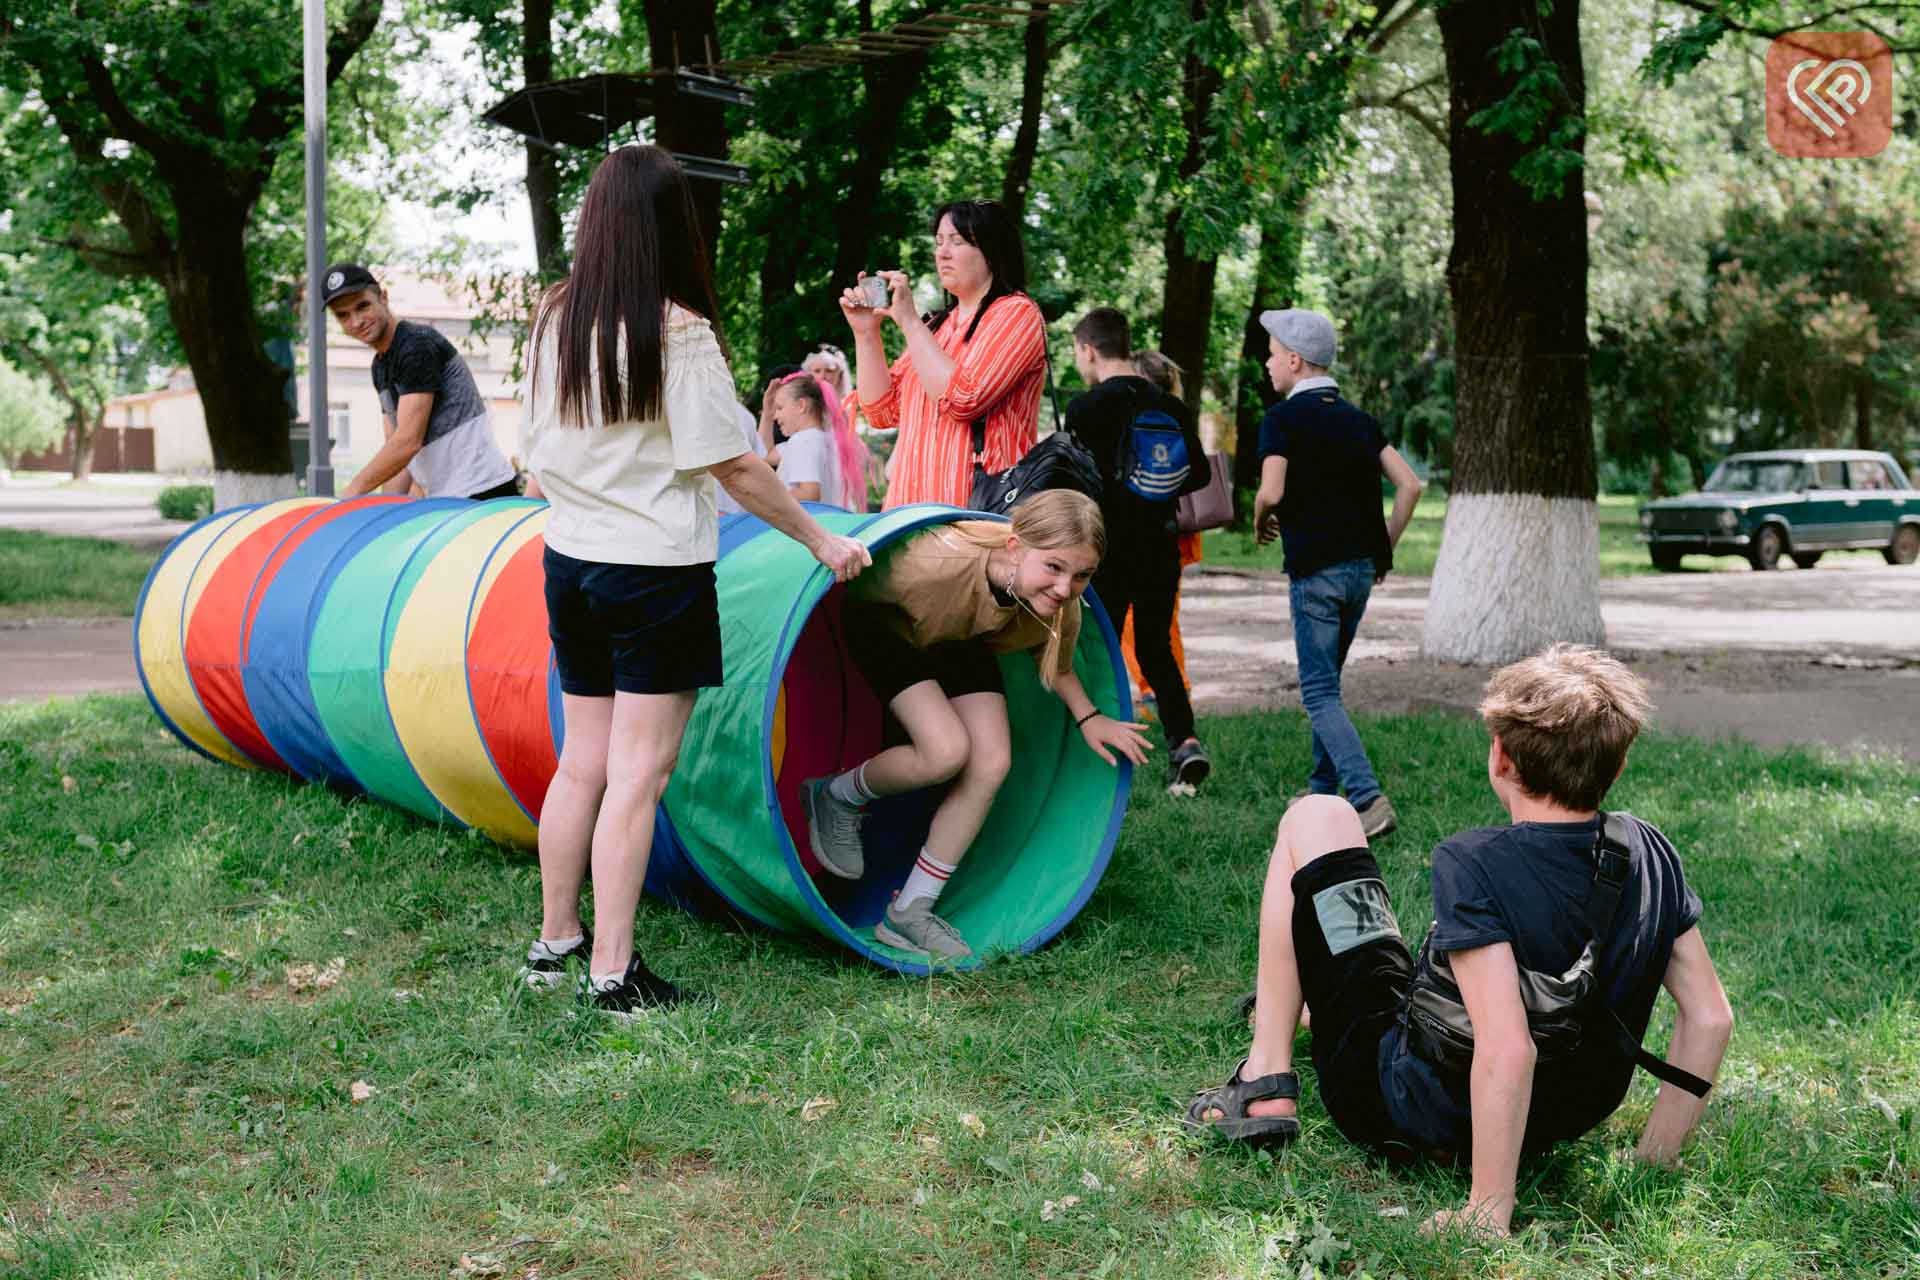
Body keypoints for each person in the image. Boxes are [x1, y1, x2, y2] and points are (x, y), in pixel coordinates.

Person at [1184, 645, 1734, 1240]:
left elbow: (1507, 1047)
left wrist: (1488, 1210)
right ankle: (1306, 1008)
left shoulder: (1475, 863)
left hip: (1405, 1107)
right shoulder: (1650, 852)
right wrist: (1655, 1156)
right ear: (1619, 765)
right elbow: (1709, 1018)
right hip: (1559, 1117)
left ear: (1500, 757)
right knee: (1387, 976)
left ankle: (1265, 1083)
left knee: (1317, 815)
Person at [517, 145, 870, 1015]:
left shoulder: (553, 317)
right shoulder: (677, 330)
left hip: (570, 561)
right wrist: (821, 542)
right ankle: (613, 973)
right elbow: (737, 468)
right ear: (675, 224)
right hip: (652, 573)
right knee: (637, 775)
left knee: (584, 764)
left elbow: (532, 452)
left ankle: (554, 943)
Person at [799, 490, 1152, 962]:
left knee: (991, 761)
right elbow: (849, 583)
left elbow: (1059, 666)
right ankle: (836, 795)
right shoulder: (934, 564)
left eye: (1081, 574)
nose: (1066, 588)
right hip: (889, 623)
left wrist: (1089, 718)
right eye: (1054, 567)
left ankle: (910, 910)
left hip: (962, 639)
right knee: (944, 752)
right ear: (1015, 548)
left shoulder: (1061, 605)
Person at [1252, 309, 1423, 838]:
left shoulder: (1281, 420)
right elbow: (1410, 485)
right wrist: (1382, 549)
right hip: (1358, 574)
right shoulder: (1359, 420)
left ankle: (1368, 799)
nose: (1268, 360)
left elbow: (1272, 492)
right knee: (1329, 682)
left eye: (1274, 352)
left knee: (1319, 691)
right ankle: (1322, 790)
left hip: (1315, 575)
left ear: (1296, 361)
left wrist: (1261, 519)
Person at [1066, 310, 1212, 794]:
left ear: (1088, 349)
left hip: (1104, 552)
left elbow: (1076, 481)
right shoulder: (1170, 406)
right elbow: (1199, 475)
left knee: (1095, 648)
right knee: (1155, 649)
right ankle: (1184, 742)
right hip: (1160, 547)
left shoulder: (1087, 408)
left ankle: (1092, 747)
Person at [841, 199, 1048, 510]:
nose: (942, 252)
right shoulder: (936, 327)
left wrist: (910, 321)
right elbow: (881, 411)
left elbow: (964, 399)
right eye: (938, 242)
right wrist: (866, 333)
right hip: (908, 513)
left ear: (993, 250)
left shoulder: (1017, 313)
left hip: (976, 517)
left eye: (958, 241)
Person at [321, 263, 520, 501]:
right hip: (446, 499)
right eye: (343, 315)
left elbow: (407, 442)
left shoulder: (417, 346)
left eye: (362, 306)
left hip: (483, 493)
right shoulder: (380, 365)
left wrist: (352, 493)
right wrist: (386, 513)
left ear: (383, 297)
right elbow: (397, 453)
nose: (356, 321)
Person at [1121, 350, 1203, 708]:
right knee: (1161, 612)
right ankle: (1158, 684)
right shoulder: (1177, 415)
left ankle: (1161, 686)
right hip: (1173, 529)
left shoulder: (1144, 419)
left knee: (1147, 617)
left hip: (1155, 529)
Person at [770, 373, 844, 509]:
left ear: (801, 405)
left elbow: (809, 493)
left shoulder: (802, 441)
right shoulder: (827, 439)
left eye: (780, 408)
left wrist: (766, 498)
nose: (775, 416)